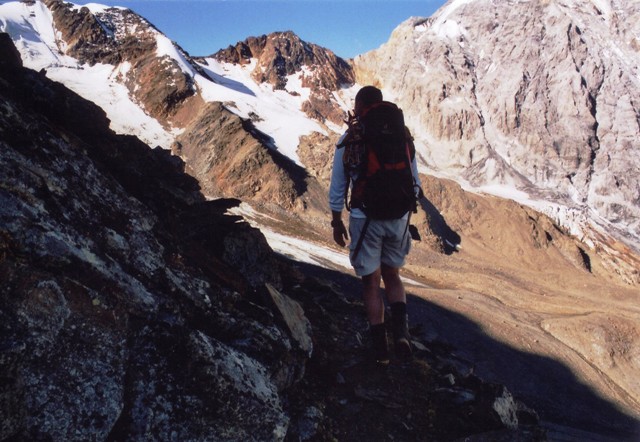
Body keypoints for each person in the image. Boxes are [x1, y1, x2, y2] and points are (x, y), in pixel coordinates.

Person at [329, 86, 421, 365]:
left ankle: (381, 350)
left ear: (359, 107)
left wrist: (336, 220)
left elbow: (338, 186)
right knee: (392, 274)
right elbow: (414, 182)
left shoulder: (352, 137)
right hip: (398, 217)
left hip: (365, 218)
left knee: (371, 281)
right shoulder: (402, 135)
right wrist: (405, 213)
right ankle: (402, 334)